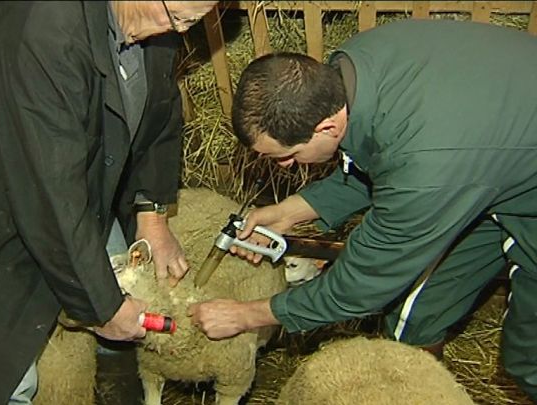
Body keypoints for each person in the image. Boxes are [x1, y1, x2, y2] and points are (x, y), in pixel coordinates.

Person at [188, 19, 537, 400]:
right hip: (491, 161)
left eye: (287, 156)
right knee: (415, 319)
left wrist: (247, 315)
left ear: (325, 128)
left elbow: (361, 283)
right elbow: (379, 156)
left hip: (498, 174)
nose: (284, 167)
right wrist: (290, 211)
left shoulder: (426, 165)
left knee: (529, 357)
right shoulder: (352, 68)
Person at [0, 1, 215, 404]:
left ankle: (113, 391)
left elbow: (159, 107)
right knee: (3, 371)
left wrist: (151, 212)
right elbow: (49, 192)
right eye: (180, 19)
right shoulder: (38, 31)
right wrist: (102, 308)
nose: (181, 31)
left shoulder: (147, 19)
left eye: (193, 22)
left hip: (71, 183)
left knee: (121, 289)